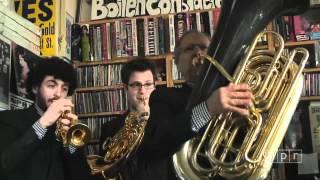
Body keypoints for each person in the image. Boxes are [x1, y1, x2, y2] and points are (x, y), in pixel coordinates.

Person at [0, 57, 92, 180]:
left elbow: (82, 176)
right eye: (51, 85)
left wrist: (71, 145)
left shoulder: (68, 128)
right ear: (35, 88)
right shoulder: (8, 119)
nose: (58, 94)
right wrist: (42, 123)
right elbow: (5, 165)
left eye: (64, 88)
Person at [98, 57, 157, 179]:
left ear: (154, 87)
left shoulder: (167, 123)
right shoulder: (109, 128)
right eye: (136, 85)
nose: (142, 91)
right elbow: (105, 172)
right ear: (125, 88)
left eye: (148, 84)